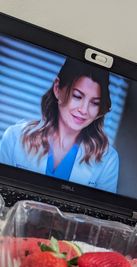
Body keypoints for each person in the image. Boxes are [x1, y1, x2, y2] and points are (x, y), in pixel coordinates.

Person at [0, 58, 119, 193]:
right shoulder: (15, 137)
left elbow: (102, 211)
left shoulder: (108, 159)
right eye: (77, 96)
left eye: (95, 103)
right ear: (57, 88)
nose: (84, 110)